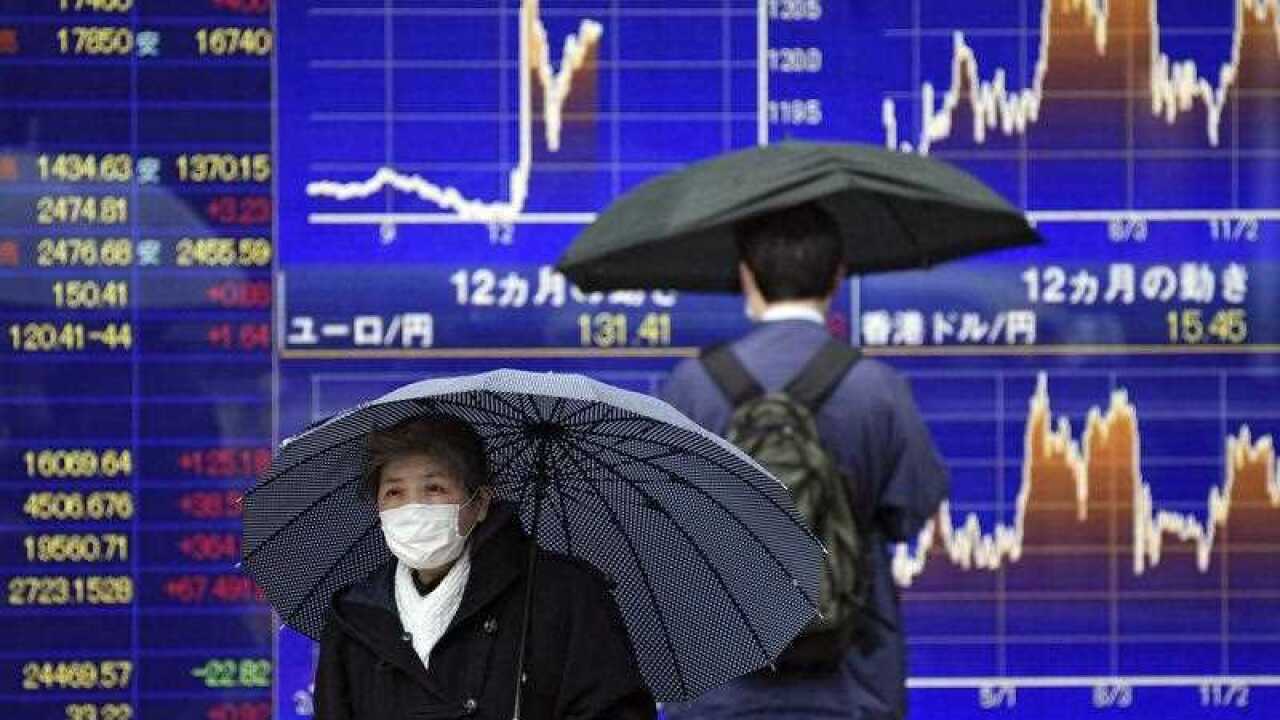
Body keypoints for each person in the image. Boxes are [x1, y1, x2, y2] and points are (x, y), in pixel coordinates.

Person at [658, 204, 949, 720]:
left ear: (746, 274)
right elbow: (913, 510)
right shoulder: (876, 389)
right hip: (851, 686)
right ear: (838, 276)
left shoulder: (691, 385)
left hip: (718, 690)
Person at [314, 416, 656, 720]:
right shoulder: (355, 618)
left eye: (434, 489)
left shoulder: (564, 595)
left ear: (479, 503)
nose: (413, 508)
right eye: (394, 493)